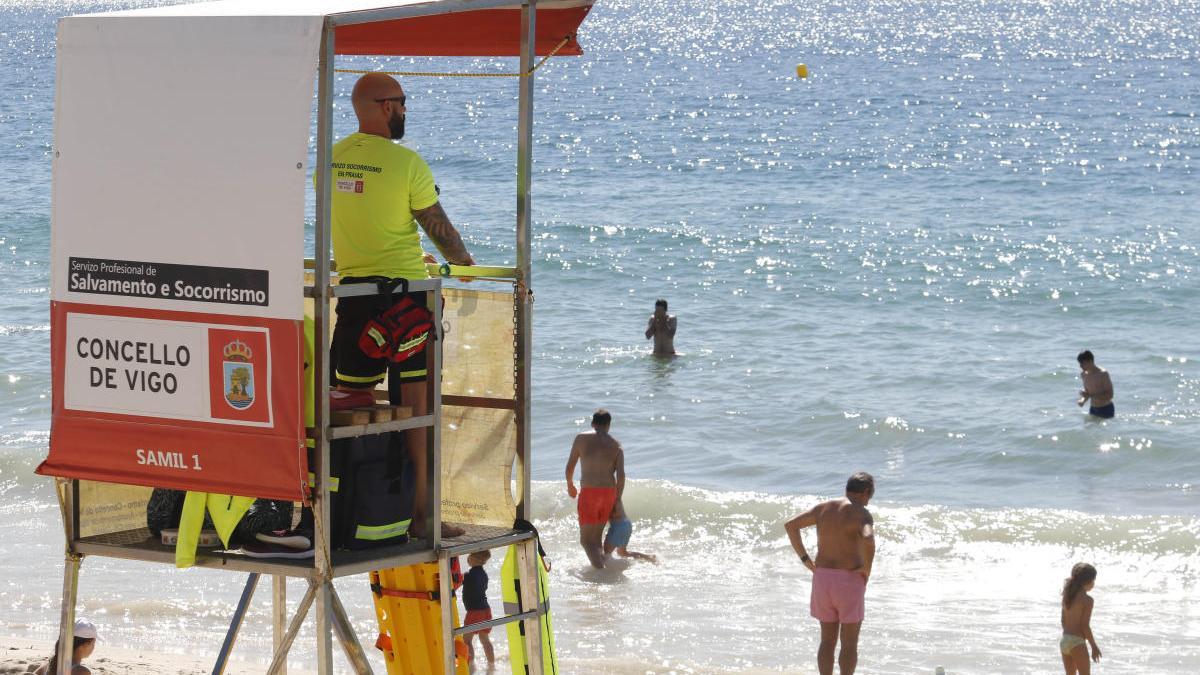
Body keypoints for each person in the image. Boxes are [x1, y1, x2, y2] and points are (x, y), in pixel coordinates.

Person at [326, 73, 475, 538]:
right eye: (403, 103)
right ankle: (421, 516)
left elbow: (365, 220)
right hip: (408, 301)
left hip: (355, 299)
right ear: (385, 106)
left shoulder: (331, 161)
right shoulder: (406, 162)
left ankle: (357, 507)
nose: (406, 111)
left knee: (350, 399)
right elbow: (440, 230)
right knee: (417, 409)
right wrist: (464, 265)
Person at [783, 472, 876, 675]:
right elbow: (868, 538)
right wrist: (866, 568)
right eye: (871, 495)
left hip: (823, 578)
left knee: (826, 641)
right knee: (849, 644)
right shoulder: (861, 513)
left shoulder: (823, 508)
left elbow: (790, 525)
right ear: (866, 492)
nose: (869, 501)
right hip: (849, 581)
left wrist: (805, 559)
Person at [565, 409, 625, 569]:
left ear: (593, 423)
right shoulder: (616, 445)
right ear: (608, 426)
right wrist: (617, 498)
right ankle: (601, 564)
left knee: (585, 540)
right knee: (596, 537)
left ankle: (600, 571)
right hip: (609, 493)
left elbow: (570, 465)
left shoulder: (581, 438)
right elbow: (621, 476)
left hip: (590, 492)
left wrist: (570, 484)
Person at [1061, 563, 1102, 674]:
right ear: (1088, 581)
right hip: (1077, 642)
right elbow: (1084, 625)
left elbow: (1063, 621)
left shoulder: (1067, 596)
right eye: (1094, 580)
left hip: (1064, 641)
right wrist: (1093, 646)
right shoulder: (1087, 600)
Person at [462, 550, 496, 670]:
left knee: (467, 639)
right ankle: (491, 666)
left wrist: (462, 577)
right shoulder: (484, 575)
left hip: (474, 611)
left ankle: (471, 666)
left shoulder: (469, 576)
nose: (468, 558)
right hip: (486, 610)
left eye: (470, 555)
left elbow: (461, 582)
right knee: (485, 639)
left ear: (474, 559)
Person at [34, 618, 98, 675]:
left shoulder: (48, 665)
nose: (94, 647)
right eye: (94, 643)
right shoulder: (81, 672)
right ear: (86, 644)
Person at [603, 499, 657, 563]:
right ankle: (648, 557)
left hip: (619, 527)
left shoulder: (608, 498)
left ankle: (604, 570)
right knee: (622, 553)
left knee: (606, 553)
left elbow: (611, 513)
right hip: (626, 524)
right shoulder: (615, 496)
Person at [1076, 351, 1114, 419]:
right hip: (1093, 409)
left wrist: (1090, 395)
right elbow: (1088, 393)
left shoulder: (1103, 374)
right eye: (1080, 363)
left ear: (1090, 361)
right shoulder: (1083, 375)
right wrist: (1082, 400)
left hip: (1106, 409)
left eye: (1083, 363)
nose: (1080, 366)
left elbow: (1110, 395)